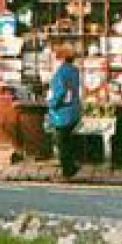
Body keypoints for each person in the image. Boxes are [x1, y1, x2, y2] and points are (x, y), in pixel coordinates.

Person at [47, 42, 83, 178]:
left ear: (61, 58)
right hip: (74, 110)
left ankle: (68, 170)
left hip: (62, 112)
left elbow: (60, 91)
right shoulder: (74, 71)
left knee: (62, 142)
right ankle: (71, 166)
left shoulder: (61, 72)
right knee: (68, 140)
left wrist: (52, 104)